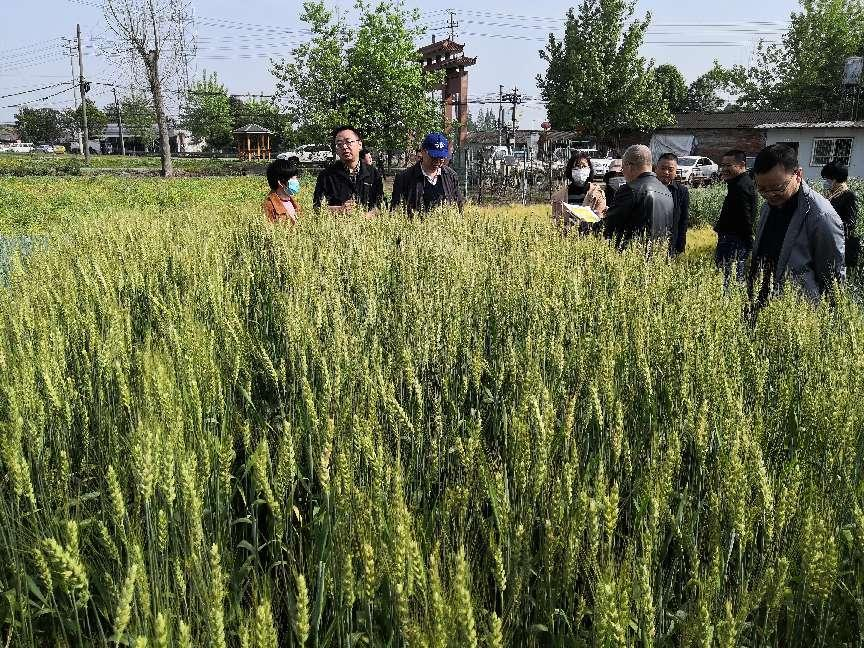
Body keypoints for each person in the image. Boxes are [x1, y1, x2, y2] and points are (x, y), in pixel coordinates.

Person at [749, 144, 845, 304]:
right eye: (762, 189)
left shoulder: (821, 216)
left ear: (798, 175)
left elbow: (832, 278)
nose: (770, 195)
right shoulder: (768, 207)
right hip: (761, 299)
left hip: (797, 309)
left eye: (777, 188)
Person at [603, 144, 674, 250]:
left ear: (629, 166)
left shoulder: (630, 189)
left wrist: (586, 224)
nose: (623, 173)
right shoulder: (666, 191)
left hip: (632, 254)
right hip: (658, 254)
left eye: (622, 168)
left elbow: (608, 226)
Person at [312, 125, 384, 213]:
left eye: (349, 142)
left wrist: (367, 216)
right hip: (337, 221)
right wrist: (340, 209)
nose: (344, 147)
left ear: (359, 145)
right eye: (339, 144)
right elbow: (317, 207)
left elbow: (381, 205)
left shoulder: (373, 173)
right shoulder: (326, 175)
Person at [390, 132, 465, 217]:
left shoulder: (450, 176)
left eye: (441, 157)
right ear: (423, 151)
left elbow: (459, 206)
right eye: (434, 157)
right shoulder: (404, 178)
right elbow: (395, 210)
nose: (438, 161)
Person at [714, 149, 758, 283]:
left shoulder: (741, 186)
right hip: (733, 239)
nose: (724, 169)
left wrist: (748, 241)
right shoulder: (737, 183)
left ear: (741, 165)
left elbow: (745, 217)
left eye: (728, 165)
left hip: (734, 241)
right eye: (723, 165)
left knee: (729, 280)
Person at [551, 152, 606, 231]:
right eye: (576, 166)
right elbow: (556, 223)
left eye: (584, 166)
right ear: (570, 170)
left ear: (589, 169)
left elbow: (600, 220)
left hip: (590, 234)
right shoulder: (559, 196)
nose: (580, 169)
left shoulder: (597, 194)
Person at [822, 161, 859, 269]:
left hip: (839, 244)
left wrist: (832, 225)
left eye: (827, 179)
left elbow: (850, 223)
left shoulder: (848, 196)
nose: (826, 182)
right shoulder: (831, 195)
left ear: (835, 179)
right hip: (827, 241)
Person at [655, 153, 690, 256]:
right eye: (663, 168)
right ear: (656, 169)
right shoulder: (647, 188)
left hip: (671, 243)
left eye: (670, 169)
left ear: (676, 171)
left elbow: (683, 220)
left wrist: (680, 247)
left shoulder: (682, 191)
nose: (666, 172)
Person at [262, 158, 301, 224]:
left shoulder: (294, 203)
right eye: (293, 178)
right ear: (281, 183)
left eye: (296, 178)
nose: (296, 181)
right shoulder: (269, 206)